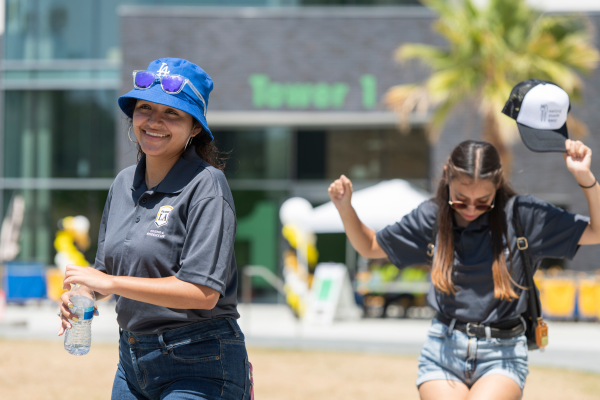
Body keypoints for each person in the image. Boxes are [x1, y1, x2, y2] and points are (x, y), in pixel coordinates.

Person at [328, 139, 600, 400]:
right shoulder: (432, 216)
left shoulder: (524, 215)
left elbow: (595, 231)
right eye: (460, 199)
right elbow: (371, 245)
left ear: (497, 183)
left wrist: (584, 178)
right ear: (447, 176)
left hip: (503, 353)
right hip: (444, 349)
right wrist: (345, 209)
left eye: (483, 201)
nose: (471, 209)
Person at [58, 58, 252, 400]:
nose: (154, 121)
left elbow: (202, 293)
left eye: (172, 113)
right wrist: (85, 294)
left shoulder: (207, 185)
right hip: (131, 362)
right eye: (145, 108)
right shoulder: (122, 184)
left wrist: (111, 283)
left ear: (195, 128)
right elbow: (105, 273)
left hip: (200, 361)